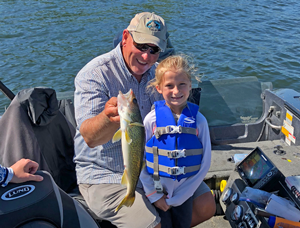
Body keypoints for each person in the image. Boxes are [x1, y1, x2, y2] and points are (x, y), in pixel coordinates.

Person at [74, 12, 167, 228]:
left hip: (150, 168)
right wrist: (108, 118)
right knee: (151, 225)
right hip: (103, 175)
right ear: (125, 37)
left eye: (154, 50)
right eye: (142, 46)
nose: (147, 56)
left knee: (204, 204)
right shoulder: (94, 74)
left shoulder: (158, 75)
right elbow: (89, 137)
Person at [140, 55, 216, 228]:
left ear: (190, 85)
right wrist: (153, 194)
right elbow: (142, 161)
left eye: (182, 84)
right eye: (169, 85)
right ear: (158, 88)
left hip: (185, 193)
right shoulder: (151, 121)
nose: (176, 91)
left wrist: (183, 195)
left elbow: (205, 163)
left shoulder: (200, 121)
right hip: (158, 192)